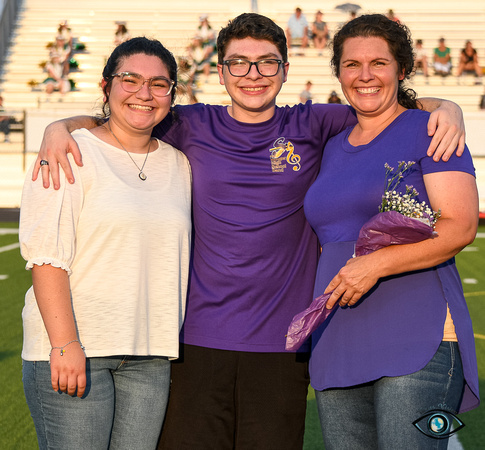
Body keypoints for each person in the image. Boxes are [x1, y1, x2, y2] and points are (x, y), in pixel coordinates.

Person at [33, 13, 466, 450]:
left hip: (283, 344)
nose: (253, 75)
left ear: (285, 71)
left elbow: (382, 102)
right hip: (195, 340)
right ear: (220, 72)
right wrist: (60, 127)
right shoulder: (190, 124)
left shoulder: (316, 123)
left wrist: (448, 108)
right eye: (238, 62)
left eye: (267, 62)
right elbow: (130, 112)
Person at [304, 14, 480, 449]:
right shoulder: (331, 145)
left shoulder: (432, 130)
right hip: (338, 338)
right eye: (351, 65)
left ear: (402, 69)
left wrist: (376, 264)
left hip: (417, 338)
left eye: (379, 63)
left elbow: (458, 227)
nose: (365, 76)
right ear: (338, 72)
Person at [20, 37, 192, 450]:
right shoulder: (69, 151)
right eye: (129, 80)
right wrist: (63, 345)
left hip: (149, 354)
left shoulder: (180, 162)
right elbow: (46, 256)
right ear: (106, 86)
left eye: (158, 84)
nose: (143, 94)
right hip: (76, 348)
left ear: (172, 93)